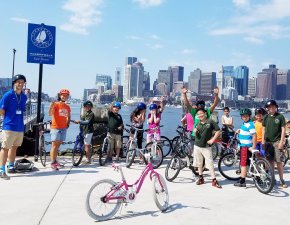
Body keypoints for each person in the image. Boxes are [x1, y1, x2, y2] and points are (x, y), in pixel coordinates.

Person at [0, 74, 27, 180]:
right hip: (9, 126)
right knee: (5, 147)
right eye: (18, 82)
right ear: (14, 83)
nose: (20, 84)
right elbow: (1, 110)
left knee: (14, 147)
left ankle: (11, 166)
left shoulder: (24, 96)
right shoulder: (8, 95)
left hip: (19, 126)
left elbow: (23, 109)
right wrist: (8, 118)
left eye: (22, 82)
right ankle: (1, 170)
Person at [193, 108, 222, 188]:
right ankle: (201, 178)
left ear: (205, 113)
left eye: (201, 113)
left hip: (206, 147)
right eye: (198, 114)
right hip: (197, 145)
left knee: (210, 163)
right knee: (199, 163)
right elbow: (198, 135)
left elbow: (218, 131)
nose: (200, 115)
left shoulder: (210, 121)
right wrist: (195, 132)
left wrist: (213, 139)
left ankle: (214, 180)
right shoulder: (198, 123)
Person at [262, 100, 288, 188]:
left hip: (277, 142)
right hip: (268, 142)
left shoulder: (280, 117)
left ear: (276, 107)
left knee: (279, 161)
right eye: (269, 107)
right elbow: (263, 129)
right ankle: (272, 178)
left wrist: (281, 142)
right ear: (267, 108)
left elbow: (283, 130)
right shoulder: (266, 117)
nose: (271, 108)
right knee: (270, 161)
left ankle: (282, 179)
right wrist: (263, 141)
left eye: (273, 106)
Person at [48, 89, 71, 170]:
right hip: (55, 127)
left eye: (66, 95)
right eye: (63, 95)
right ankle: (52, 162)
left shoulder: (67, 106)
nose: (64, 97)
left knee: (58, 146)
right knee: (54, 146)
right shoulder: (56, 104)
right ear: (60, 95)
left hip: (63, 128)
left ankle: (55, 160)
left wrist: (68, 123)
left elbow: (68, 116)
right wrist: (51, 105)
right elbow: (50, 113)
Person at [234, 108, 257, 187]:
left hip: (245, 146)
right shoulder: (245, 123)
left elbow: (254, 135)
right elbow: (246, 131)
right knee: (248, 162)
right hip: (244, 146)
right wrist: (239, 130)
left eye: (246, 116)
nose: (244, 117)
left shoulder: (250, 124)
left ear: (249, 116)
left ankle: (242, 181)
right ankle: (253, 176)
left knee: (243, 164)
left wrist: (253, 146)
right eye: (243, 116)